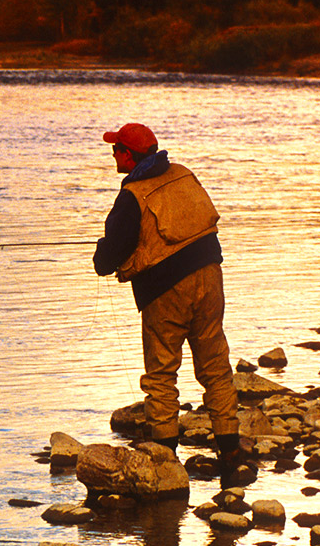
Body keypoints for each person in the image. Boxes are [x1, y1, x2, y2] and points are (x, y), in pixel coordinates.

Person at [92, 122, 244, 486]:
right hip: (210, 276)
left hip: (166, 290)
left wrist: (100, 255)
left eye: (117, 149)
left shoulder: (133, 195)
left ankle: (166, 460)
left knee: (161, 374)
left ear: (130, 155)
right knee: (215, 365)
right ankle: (231, 451)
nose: (113, 155)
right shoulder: (183, 175)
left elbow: (109, 257)